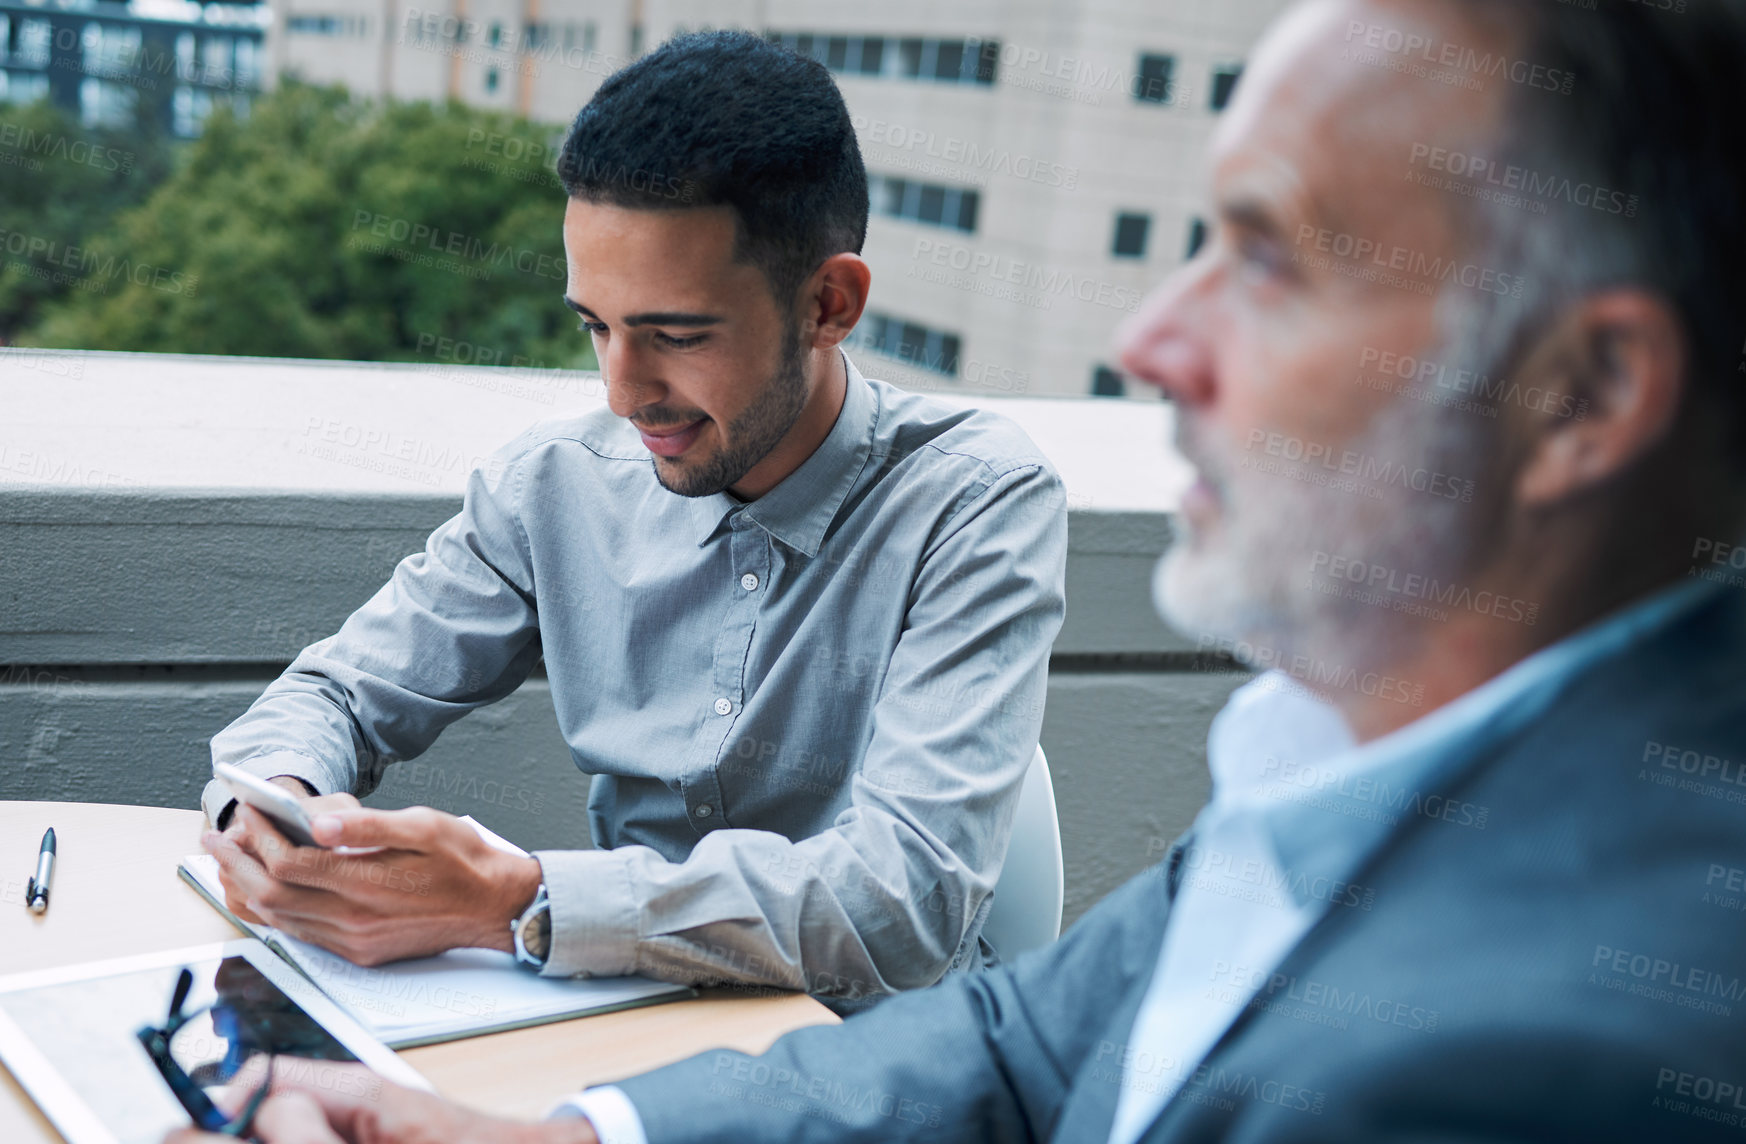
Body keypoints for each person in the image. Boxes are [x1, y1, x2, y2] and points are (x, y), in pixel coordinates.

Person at [172, 0, 1746, 1139]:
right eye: (598, 328)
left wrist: (520, 902)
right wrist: (559, 1139)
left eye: (1267, 255)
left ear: (1586, 397)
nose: (1147, 342)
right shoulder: (1324, 780)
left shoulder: (1586, 1041)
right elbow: (1012, 1045)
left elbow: (914, 931)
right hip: (650, 1050)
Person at [198, 28, 1068, 1007]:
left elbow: (899, 909)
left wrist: (516, 901)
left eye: (677, 336)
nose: (624, 393)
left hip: (885, 1052)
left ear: (829, 301)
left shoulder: (976, 499)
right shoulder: (553, 486)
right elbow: (340, 694)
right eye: (597, 327)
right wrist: (276, 812)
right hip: (628, 1014)